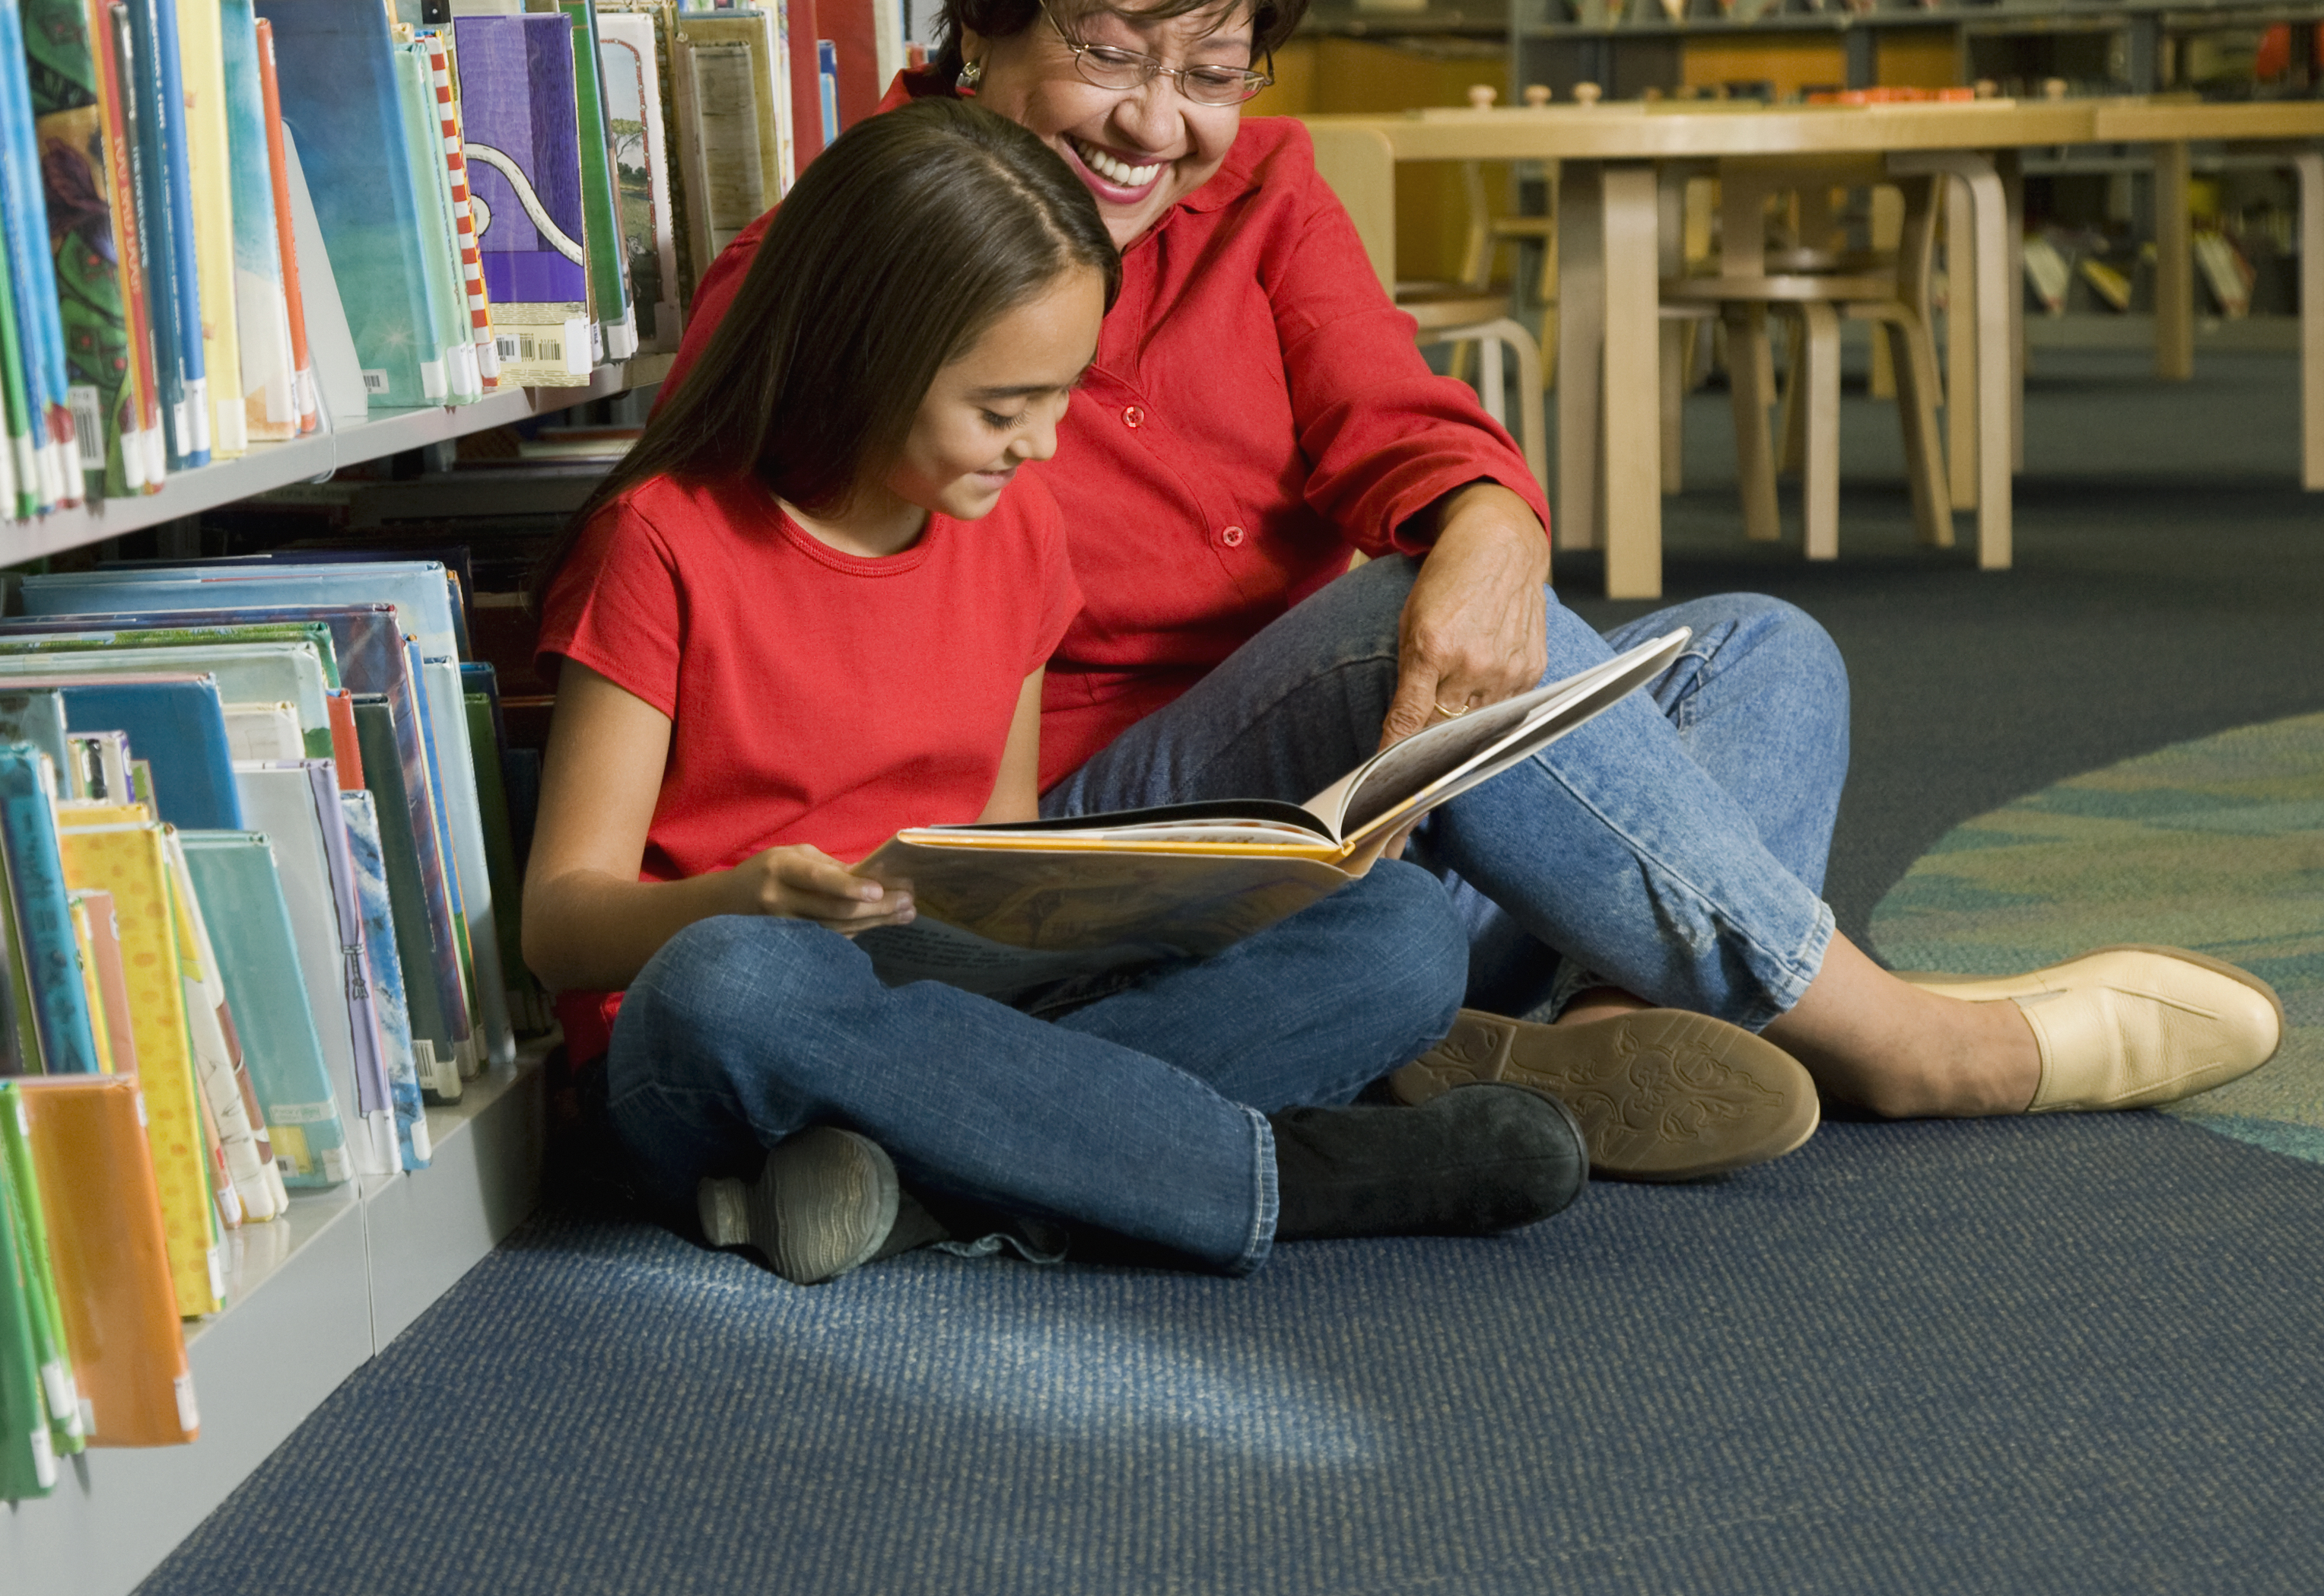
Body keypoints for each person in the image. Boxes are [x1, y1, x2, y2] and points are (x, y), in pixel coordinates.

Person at [672, 0, 2280, 1155]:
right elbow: (753, 621)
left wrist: (1493, 519)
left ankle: (1568, 1050)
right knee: (1392, 614)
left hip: (1361, 815)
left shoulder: (1268, 190)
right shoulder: (851, 264)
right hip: (1086, 845)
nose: (1155, 126)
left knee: (1765, 654)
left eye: (1212, 72)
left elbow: (1402, 417)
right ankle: (1903, 1041)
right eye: (1108, 54)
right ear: (978, 21)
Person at [525, 98, 1702, 1290]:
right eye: (1000, 409)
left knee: (1391, 935)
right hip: (734, 1033)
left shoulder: (1015, 523)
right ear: (861, 358)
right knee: (732, 981)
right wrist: (745, 897)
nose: (1039, 446)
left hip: (939, 995)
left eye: (1060, 397)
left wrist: (1154, 900)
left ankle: (920, 1188)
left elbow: (998, 846)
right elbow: (559, 926)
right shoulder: (660, 544)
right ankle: (1284, 1181)